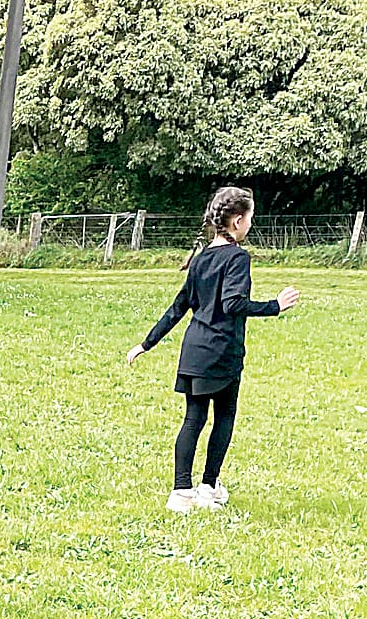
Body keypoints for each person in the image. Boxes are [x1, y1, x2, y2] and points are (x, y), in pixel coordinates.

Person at [127, 185, 299, 514]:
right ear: (236, 221)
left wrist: (145, 343)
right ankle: (207, 487)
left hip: (194, 350)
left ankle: (180, 493)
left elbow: (179, 307)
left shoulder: (201, 257)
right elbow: (233, 303)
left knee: (193, 419)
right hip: (222, 352)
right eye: (249, 218)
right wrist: (274, 306)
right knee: (224, 417)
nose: (250, 224)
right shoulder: (237, 257)